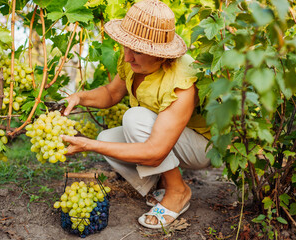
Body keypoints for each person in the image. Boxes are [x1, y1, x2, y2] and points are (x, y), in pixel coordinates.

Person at [60, 0, 211, 229]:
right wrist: (79, 97)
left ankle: (178, 191)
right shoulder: (132, 60)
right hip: (168, 136)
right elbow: (111, 94)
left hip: (201, 147)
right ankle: (159, 185)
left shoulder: (182, 79)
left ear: (162, 56)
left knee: (134, 118)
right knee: (106, 140)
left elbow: (155, 152)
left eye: (138, 51)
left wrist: (88, 145)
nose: (128, 57)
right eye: (126, 47)